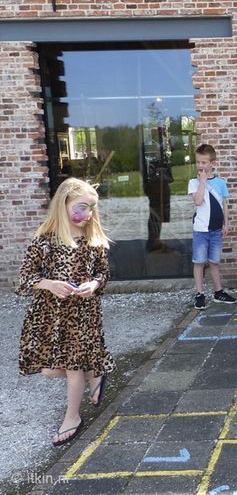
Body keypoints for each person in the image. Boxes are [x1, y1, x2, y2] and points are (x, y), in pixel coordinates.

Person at [16, 178, 114, 446]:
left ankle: (72, 417)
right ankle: (95, 373)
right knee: (48, 370)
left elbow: (103, 274)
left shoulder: (93, 240)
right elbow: (25, 278)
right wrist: (49, 284)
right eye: (82, 207)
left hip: (83, 314)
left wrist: (93, 284)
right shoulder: (44, 239)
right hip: (51, 316)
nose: (87, 214)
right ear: (64, 203)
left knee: (72, 367)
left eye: (92, 208)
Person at [188, 144, 237, 309]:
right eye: (198, 162)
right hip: (201, 231)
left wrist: (226, 222)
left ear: (213, 163)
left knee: (214, 262)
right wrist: (202, 182)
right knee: (199, 262)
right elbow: (198, 200)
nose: (200, 166)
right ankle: (200, 294)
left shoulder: (220, 182)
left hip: (216, 230)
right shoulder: (194, 182)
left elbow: (224, 203)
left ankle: (218, 292)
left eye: (204, 162)